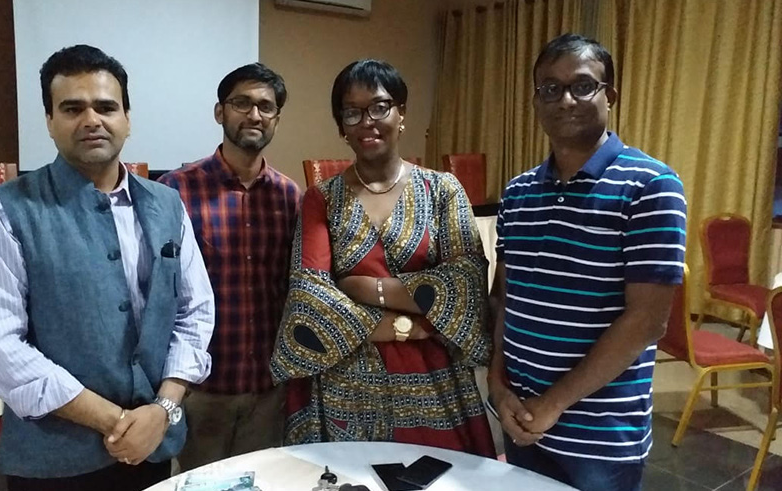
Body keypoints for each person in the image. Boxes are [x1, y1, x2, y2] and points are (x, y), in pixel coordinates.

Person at [0, 44, 215, 491]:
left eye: (106, 107)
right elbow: (1, 347)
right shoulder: (6, 211)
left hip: (151, 447)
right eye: (72, 108)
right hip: (54, 462)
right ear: (50, 121)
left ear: (127, 119)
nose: (92, 120)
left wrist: (162, 409)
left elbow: (194, 312)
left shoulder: (167, 203)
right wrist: (119, 422)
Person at [489, 33, 687, 491]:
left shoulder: (651, 186)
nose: (566, 100)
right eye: (550, 88)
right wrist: (499, 388)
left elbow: (646, 322)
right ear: (536, 99)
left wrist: (553, 404)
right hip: (520, 419)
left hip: (599, 437)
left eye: (582, 86)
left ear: (610, 95)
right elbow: (507, 300)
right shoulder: (518, 194)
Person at [269, 59, 494, 457]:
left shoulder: (442, 190)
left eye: (379, 106)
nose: (366, 121)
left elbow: (465, 283)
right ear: (341, 126)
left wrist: (367, 288)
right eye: (351, 112)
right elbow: (310, 295)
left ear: (401, 112)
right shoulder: (322, 198)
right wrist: (410, 325)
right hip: (343, 385)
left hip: (435, 382)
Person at [158, 63, 302, 469]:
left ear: (276, 118)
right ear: (220, 112)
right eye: (242, 103)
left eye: (265, 106)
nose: (254, 115)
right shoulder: (176, 190)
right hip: (202, 389)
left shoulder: (289, 196)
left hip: (267, 388)